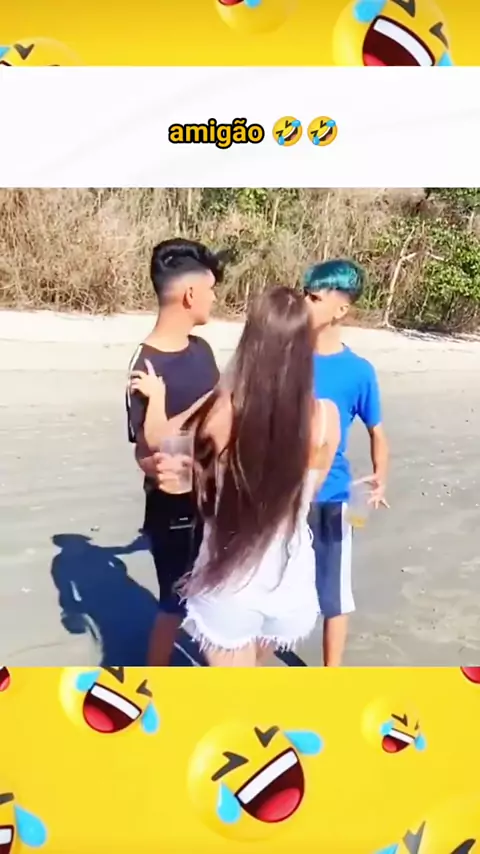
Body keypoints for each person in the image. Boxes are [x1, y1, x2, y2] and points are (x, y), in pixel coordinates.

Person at [172, 286, 340, 667]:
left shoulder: (220, 415)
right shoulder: (326, 419)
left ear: (251, 340)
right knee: (254, 685)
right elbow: (309, 492)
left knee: (236, 697)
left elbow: (192, 481)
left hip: (230, 579)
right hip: (289, 580)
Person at [125, 237, 227, 666]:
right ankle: (156, 681)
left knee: (217, 596)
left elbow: (220, 419)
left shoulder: (202, 350)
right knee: (174, 602)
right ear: (189, 294)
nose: (214, 298)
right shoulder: (145, 365)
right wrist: (158, 467)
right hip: (174, 511)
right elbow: (144, 452)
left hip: (216, 499)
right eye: (210, 289)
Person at [303, 258, 389, 667]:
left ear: (341, 309)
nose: (304, 303)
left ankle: (331, 677)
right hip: (282, 496)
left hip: (335, 498)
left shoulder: (359, 371)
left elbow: (378, 432)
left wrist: (380, 479)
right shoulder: (285, 359)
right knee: (272, 585)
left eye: (313, 297)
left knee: (334, 593)